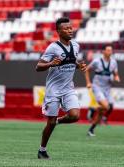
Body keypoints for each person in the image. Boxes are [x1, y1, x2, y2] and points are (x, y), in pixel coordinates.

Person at [36, 17, 86, 159]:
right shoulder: (53, 47)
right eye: (66, 28)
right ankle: (42, 150)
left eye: (71, 28)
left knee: (75, 115)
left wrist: (79, 65)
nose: (70, 30)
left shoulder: (76, 45)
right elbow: (38, 67)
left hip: (68, 88)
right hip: (53, 89)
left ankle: (58, 121)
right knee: (50, 123)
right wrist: (51, 63)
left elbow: (71, 61)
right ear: (58, 31)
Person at [85, 44, 120, 136]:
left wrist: (116, 78)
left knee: (106, 109)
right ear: (103, 51)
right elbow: (87, 70)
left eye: (111, 50)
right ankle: (93, 111)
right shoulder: (97, 61)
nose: (110, 52)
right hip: (97, 87)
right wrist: (88, 82)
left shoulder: (114, 62)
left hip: (107, 88)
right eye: (108, 50)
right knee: (106, 107)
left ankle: (91, 129)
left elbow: (116, 74)